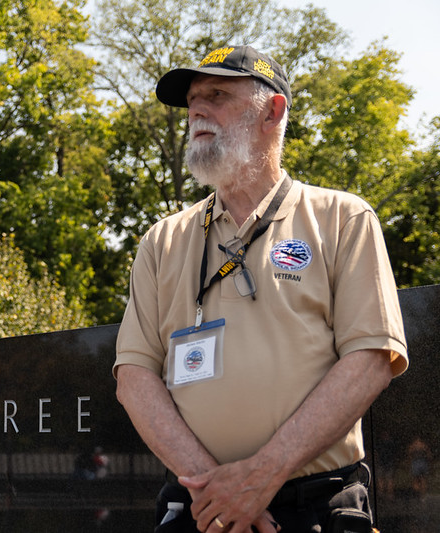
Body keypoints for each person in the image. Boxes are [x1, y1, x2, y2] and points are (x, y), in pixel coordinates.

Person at [113, 45, 409, 533]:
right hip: (200, 509)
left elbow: (372, 359)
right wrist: (220, 490)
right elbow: (134, 376)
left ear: (273, 111)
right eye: (192, 100)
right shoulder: (162, 241)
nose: (197, 111)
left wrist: (263, 474)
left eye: (217, 94)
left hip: (316, 507)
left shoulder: (343, 219)